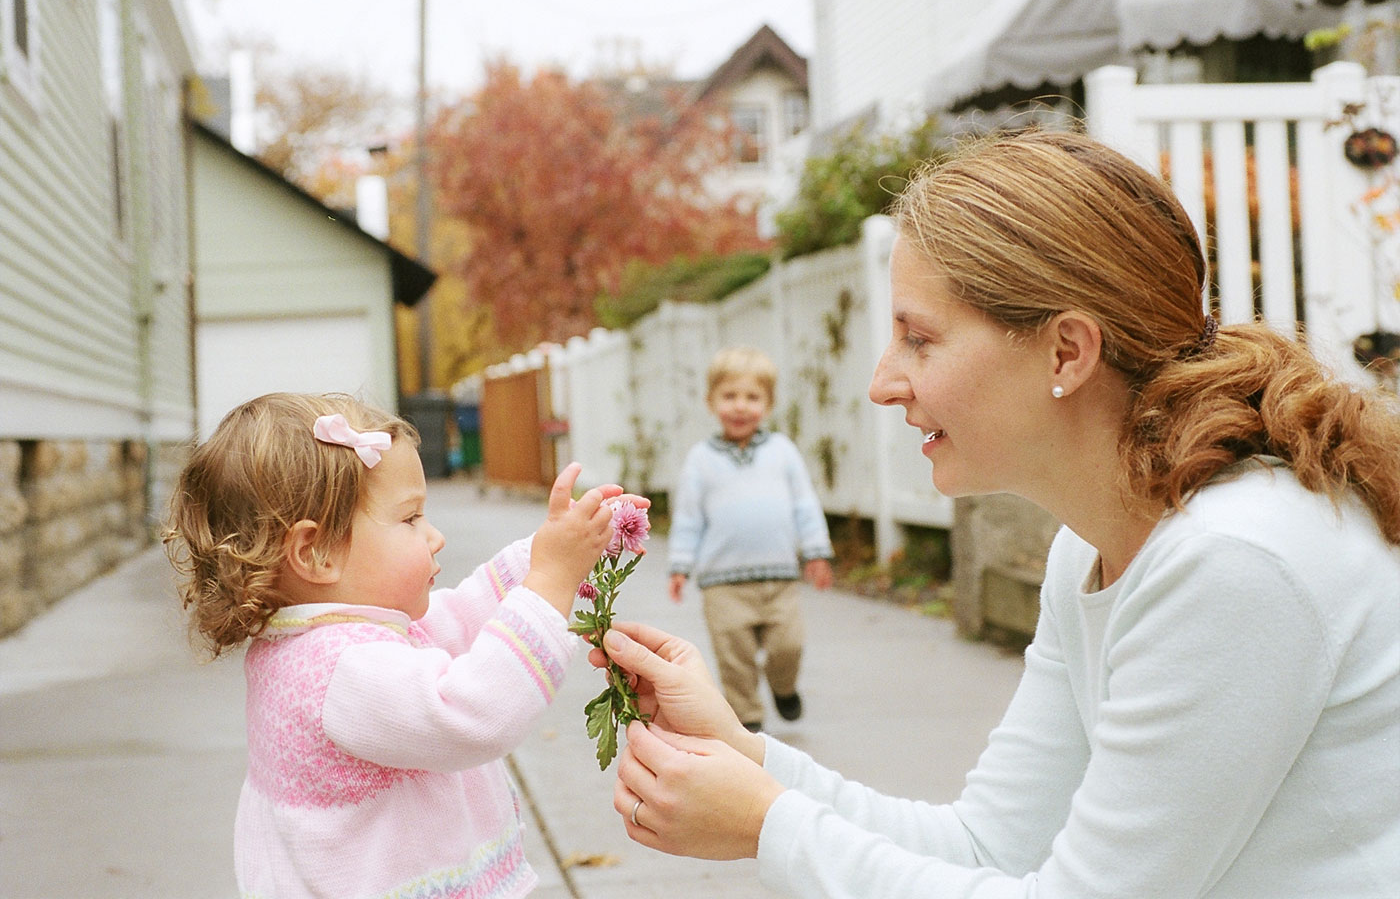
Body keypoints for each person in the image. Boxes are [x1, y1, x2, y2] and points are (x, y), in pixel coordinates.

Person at [591, 130, 1400, 897]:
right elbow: (988, 847)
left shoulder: (1236, 559)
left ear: (1066, 352)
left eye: (919, 339)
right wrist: (744, 754)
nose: (883, 382)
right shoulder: (1091, 547)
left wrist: (770, 826)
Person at [164, 392, 641, 899]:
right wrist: (551, 580)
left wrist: (552, 552)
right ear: (316, 552)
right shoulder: (338, 670)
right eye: (411, 518)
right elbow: (473, 712)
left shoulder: (331, 635)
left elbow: (458, 617)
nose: (434, 536)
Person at [667, 345, 834, 733]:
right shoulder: (700, 459)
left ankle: (784, 686)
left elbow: (805, 505)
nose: (740, 406)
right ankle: (748, 719)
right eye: (729, 396)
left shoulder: (782, 452)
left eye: (752, 397)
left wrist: (816, 552)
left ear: (768, 404)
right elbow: (688, 517)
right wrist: (680, 565)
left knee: (788, 645)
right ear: (711, 402)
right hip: (722, 584)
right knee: (733, 656)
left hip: (779, 578)